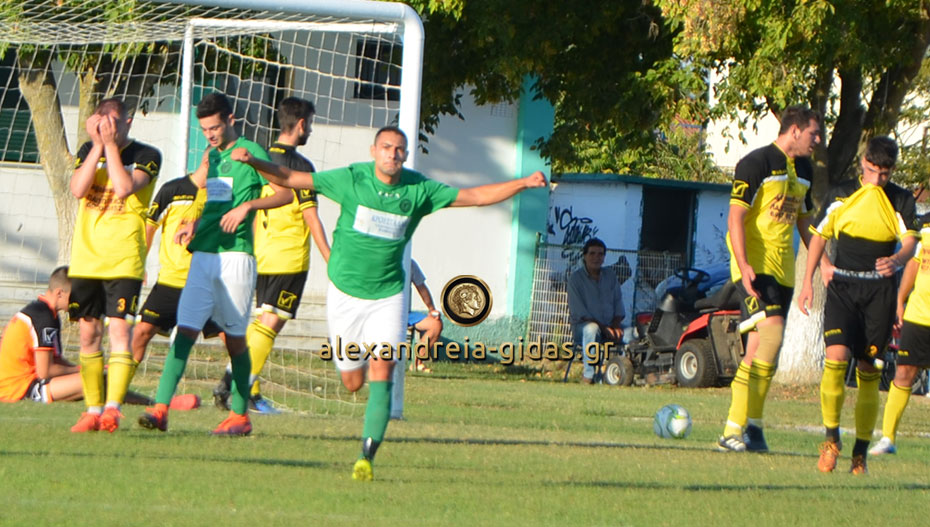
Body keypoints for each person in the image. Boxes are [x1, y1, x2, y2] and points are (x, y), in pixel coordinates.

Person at [231, 125, 547, 481]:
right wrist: (254, 160)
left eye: (399, 149)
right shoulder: (352, 178)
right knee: (352, 382)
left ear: (405, 155)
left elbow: (473, 196)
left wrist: (521, 183)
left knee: (384, 366)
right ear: (374, 150)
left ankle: (366, 456)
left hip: (389, 295)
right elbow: (290, 176)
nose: (392, 154)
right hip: (345, 294)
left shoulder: (419, 189)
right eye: (386, 147)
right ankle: (362, 366)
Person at [137, 92, 292, 436]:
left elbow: (285, 192)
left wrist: (249, 207)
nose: (210, 134)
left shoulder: (251, 152)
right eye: (204, 129)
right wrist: (195, 223)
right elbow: (214, 201)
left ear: (231, 120)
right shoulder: (213, 156)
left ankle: (239, 415)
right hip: (203, 256)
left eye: (215, 127)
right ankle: (161, 409)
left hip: (236, 257)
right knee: (184, 331)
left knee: (234, 339)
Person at [798, 136, 918, 474]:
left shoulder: (901, 199)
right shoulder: (841, 194)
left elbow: (910, 241)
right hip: (842, 288)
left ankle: (860, 453)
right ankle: (831, 440)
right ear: (861, 163)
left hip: (879, 293)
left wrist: (896, 258)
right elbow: (819, 235)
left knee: (869, 370)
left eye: (884, 174)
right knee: (835, 359)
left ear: (891, 171)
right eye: (871, 171)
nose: (876, 179)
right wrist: (808, 280)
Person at [212, 97, 330, 415]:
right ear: (302, 124)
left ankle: (250, 394)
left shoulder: (259, 157)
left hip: (260, 254)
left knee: (260, 323)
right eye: (311, 124)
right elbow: (311, 218)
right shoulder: (300, 167)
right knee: (271, 324)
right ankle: (231, 384)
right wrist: (331, 259)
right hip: (289, 257)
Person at [716, 105, 822, 453]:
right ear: (794, 131)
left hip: (783, 270)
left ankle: (746, 428)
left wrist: (821, 268)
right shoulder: (755, 163)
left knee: (761, 351)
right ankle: (740, 429)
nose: (817, 140)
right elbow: (735, 217)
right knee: (771, 337)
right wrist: (743, 263)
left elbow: (804, 221)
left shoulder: (804, 169)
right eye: (813, 133)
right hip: (754, 267)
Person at [68, 97, 161, 433]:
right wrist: (97, 147)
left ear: (128, 122)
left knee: (119, 328)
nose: (107, 126)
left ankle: (112, 408)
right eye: (101, 120)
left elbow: (123, 189)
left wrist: (110, 146)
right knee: (88, 332)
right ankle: (92, 409)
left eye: (114, 122)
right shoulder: (87, 150)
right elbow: (78, 189)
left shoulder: (146, 155)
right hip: (86, 259)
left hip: (123, 259)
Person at [130, 167, 218, 411]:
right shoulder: (173, 190)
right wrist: (139, 265)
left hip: (206, 280)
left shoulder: (221, 193)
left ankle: (243, 393)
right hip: (171, 280)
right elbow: (150, 227)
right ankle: (117, 385)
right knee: (141, 332)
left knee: (232, 338)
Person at [870, 213, 930, 456]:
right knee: (904, 371)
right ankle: (887, 438)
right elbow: (916, 262)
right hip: (919, 313)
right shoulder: (926, 224)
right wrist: (900, 300)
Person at [0, 267, 82, 404]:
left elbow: (55, 360)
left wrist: (82, 369)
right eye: (75, 296)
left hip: (25, 383)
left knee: (99, 378)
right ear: (60, 293)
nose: (79, 301)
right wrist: (80, 370)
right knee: (94, 380)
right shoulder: (43, 317)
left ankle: (126, 402)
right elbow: (45, 371)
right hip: (18, 389)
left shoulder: (46, 312)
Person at [390, 259, 444, 420]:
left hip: (405, 313)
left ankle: (417, 362)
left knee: (435, 325)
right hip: (383, 312)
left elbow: (421, 286)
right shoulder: (380, 258)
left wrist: (431, 309)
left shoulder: (409, 263)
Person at [566, 238, 624, 384]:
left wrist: (616, 326)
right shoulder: (575, 279)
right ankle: (588, 376)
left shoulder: (610, 276)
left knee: (634, 333)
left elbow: (618, 303)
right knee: (592, 329)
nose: (596, 258)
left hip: (610, 326)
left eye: (600, 254)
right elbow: (580, 313)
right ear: (584, 256)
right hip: (583, 328)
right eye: (592, 254)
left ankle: (624, 376)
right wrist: (605, 329)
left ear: (604, 257)